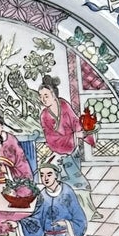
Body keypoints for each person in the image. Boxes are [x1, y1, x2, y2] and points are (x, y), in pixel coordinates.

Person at [38, 74, 99, 218]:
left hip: (73, 151)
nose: (43, 99)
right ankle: (77, 213)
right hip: (59, 155)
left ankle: (86, 212)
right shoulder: (44, 115)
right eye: (41, 96)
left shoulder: (63, 104)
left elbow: (75, 122)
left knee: (78, 183)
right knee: (71, 185)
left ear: (54, 94)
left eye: (46, 95)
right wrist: (72, 137)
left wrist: (82, 133)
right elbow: (51, 138)